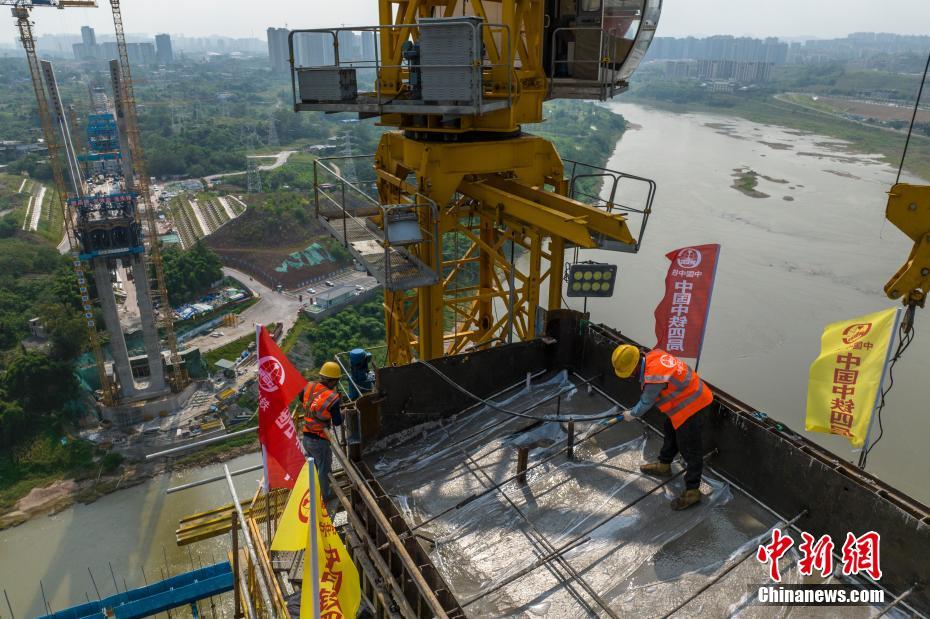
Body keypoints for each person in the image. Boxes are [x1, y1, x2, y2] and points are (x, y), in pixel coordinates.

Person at [611, 344, 714, 511]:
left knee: (689, 449)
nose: (629, 376)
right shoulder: (654, 355)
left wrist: (631, 414)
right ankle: (664, 465)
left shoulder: (654, 376)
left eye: (629, 372)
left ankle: (693, 490)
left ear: (636, 365)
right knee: (670, 430)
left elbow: (646, 402)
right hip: (684, 401)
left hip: (694, 405)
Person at [300, 361, 344, 502]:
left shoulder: (309, 386)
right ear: (333, 380)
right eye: (337, 381)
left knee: (315, 468)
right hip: (319, 439)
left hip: (306, 437)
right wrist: (341, 411)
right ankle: (324, 497)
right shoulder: (332, 398)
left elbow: (302, 398)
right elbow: (337, 422)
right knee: (324, 470)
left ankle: (315, 491)